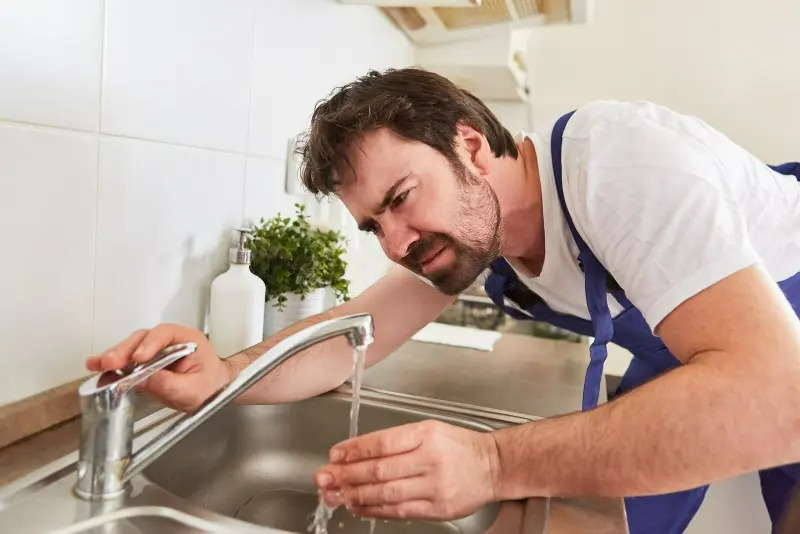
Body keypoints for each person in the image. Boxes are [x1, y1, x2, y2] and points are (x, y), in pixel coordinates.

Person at [86, 68, 800, 533]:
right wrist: (222, 375)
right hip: (697, 355)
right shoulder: (476, 235)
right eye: (374, 225)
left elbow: (776, 400)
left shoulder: (615, 165)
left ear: (468, 145)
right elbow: (347, 338)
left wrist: (491, 463)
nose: (395, 243)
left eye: (400, 198)